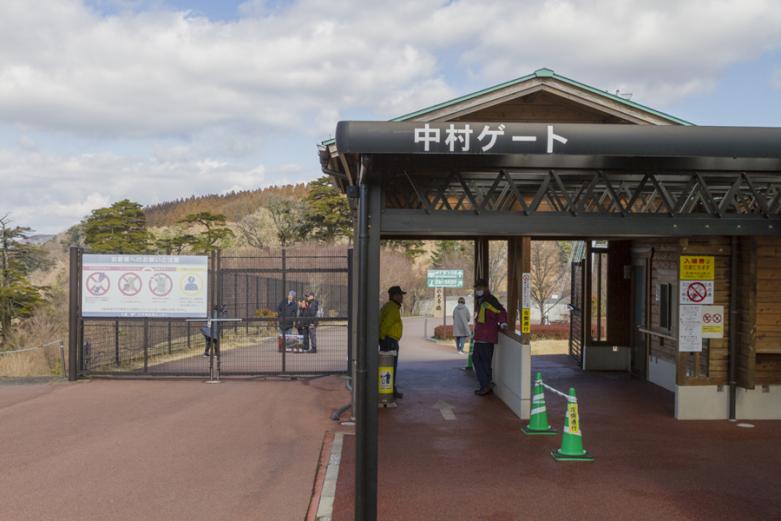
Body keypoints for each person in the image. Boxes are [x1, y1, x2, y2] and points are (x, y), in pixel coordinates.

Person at [472, 279, 508, 396]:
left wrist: (503, 323)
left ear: (485, 288)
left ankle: (485, 385)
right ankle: (487, 384)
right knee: (480, 361)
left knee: (482, 361)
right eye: (476, 289)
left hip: (486, 337)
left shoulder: (490, 300)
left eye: (480, 289)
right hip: (481, 337)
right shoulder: (481, 301)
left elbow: (501, 311)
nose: (478, 291)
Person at [379, 285, 405, 399]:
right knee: (390, 366)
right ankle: (389, 391)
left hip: (387, 340)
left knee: (387, 366)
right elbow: (386, 324)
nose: (402, 298)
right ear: (395, 296)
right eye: (400, 295)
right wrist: (382, 337)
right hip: (390, 340)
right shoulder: (393, 309)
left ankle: (388, 389)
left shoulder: (388, 306)